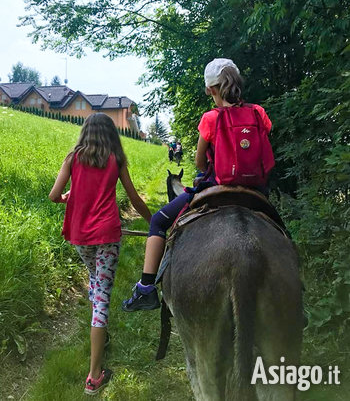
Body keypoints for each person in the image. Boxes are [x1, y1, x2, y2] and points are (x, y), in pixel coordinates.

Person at [122, 58, 273, 312]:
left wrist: (209, 171)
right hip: (255, 189)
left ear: (212, 90)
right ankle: (295, 294)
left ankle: (146, 288)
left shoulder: (211, 119)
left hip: (217, 184)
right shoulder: (258, 113)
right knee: (278, 227)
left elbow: (200, 161)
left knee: (159, 220)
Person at [49, 113, 152, 395]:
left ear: (86, 132)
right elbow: (133, 196)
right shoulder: (115, 159)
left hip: (81, 236)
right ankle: (95, 376)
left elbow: (54, 194)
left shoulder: (73, 157)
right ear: (110, 134)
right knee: (102, 300)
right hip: (107, 235)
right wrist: (155, 220)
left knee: (95, 280)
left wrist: (67, 196)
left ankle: (100, 339)